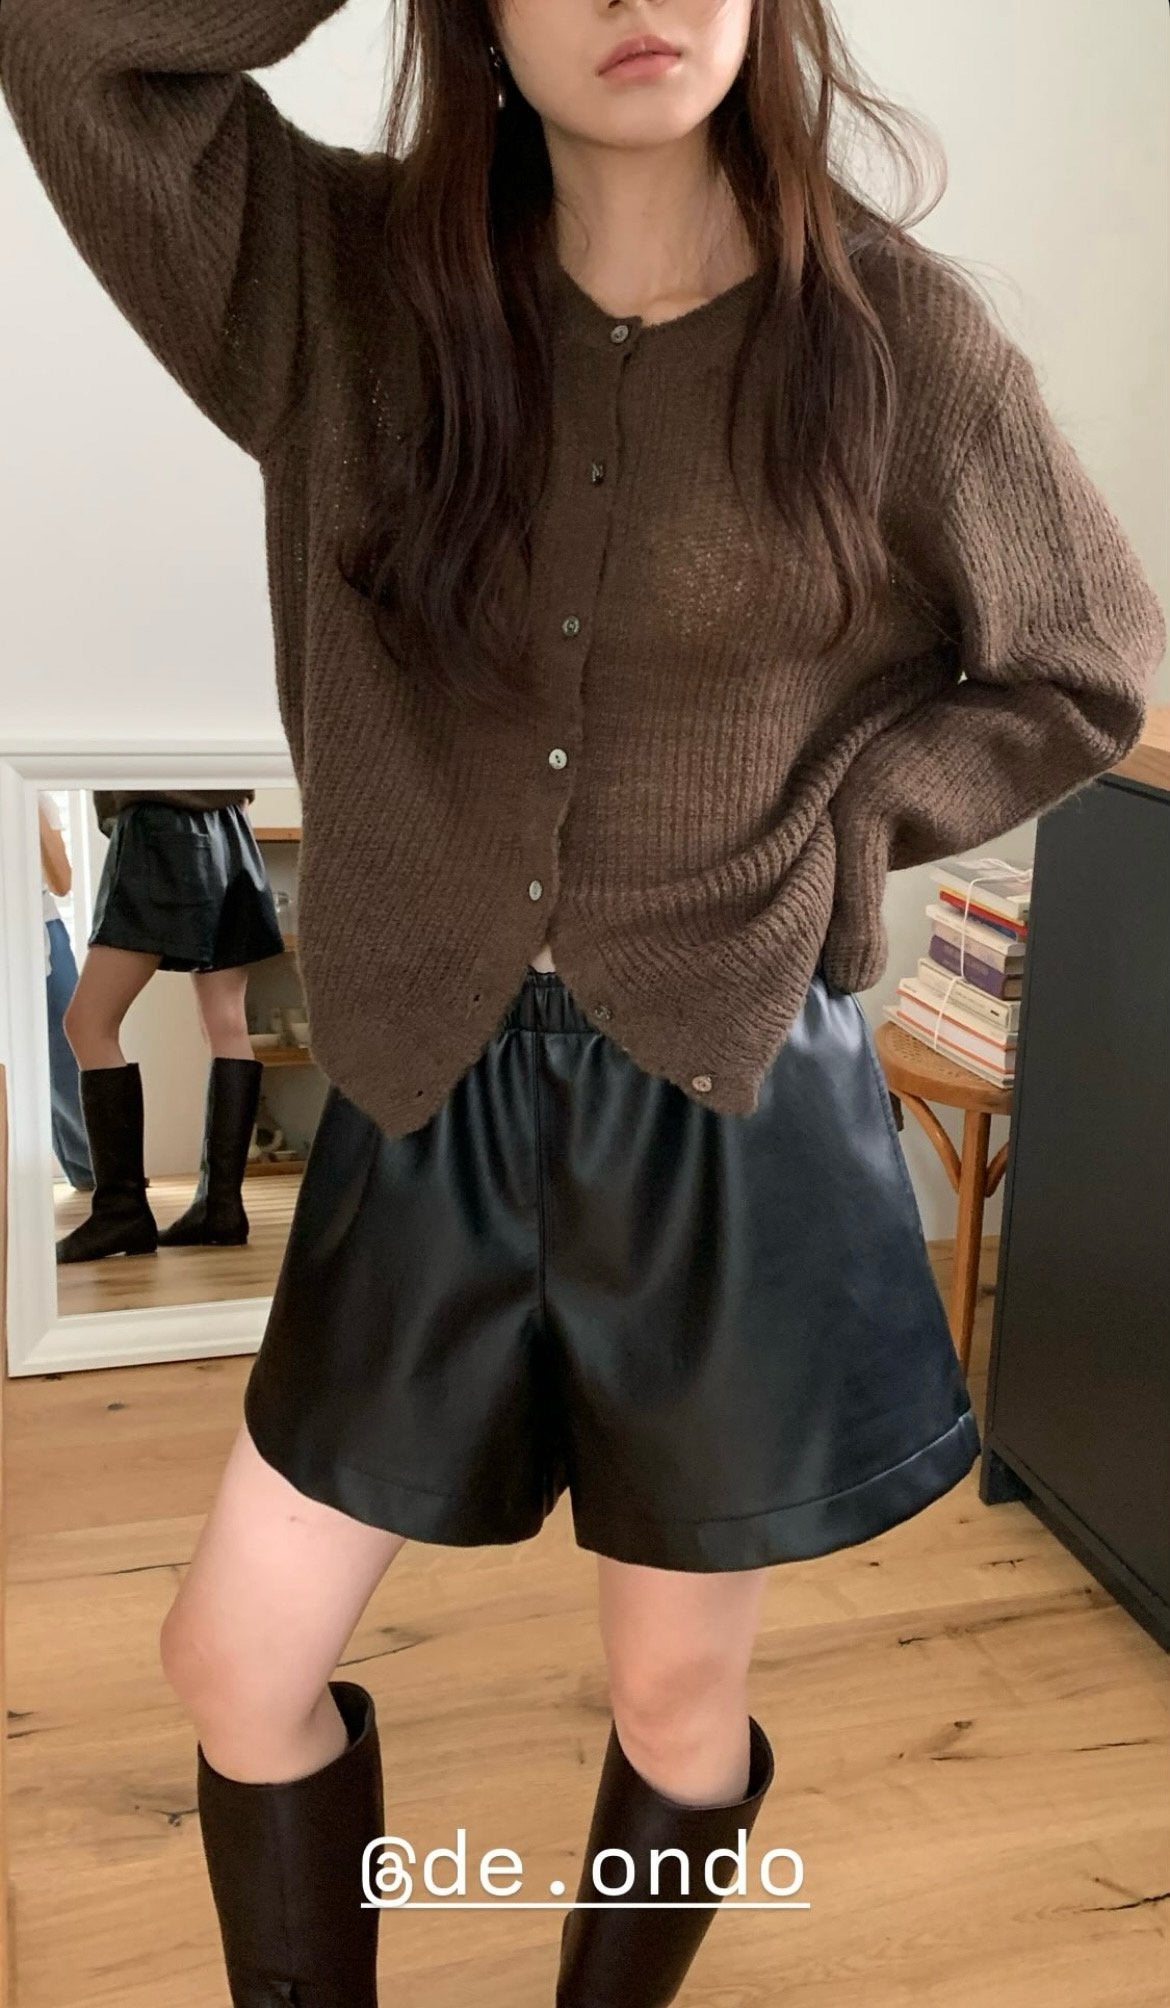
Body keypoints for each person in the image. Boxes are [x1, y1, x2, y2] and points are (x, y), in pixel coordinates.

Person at [2, 3, 1164, 2004]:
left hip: (721, 1097)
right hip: (425, 1087)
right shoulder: (336, 290)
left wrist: (853, 819)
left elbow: (1088, 658)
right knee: (237, 1655)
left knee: (675, 1694)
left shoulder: (895, 343)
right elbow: (67, 44)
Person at [54, 791, 286, 1264]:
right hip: (232, 832)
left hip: (159, 829)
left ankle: (121, 1211)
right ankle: (220, 1208)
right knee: (228, 1023)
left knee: (88, 1023)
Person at [39, 791, 95, 1192]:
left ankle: (91, 1168)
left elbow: (62, 882)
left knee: (66, 1047)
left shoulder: (35, 799)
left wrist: (23, 806)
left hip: (42, 927)